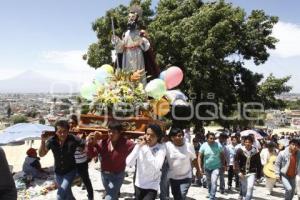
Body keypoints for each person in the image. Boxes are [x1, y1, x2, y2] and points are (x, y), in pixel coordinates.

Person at [39, 120, 86, 200]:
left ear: (68, 131)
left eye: (65, 131)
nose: (62, 134)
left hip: (70, 172)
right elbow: (41, 154)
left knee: (60, 195)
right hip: (58, 173)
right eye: (59, 131)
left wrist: (86, 141)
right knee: (68, 194)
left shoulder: (73, 138)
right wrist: (43, 141)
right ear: (56, 132)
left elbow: (84, 145)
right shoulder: (52, 140)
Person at [87, 121, 135, 200]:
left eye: (114, 132)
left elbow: (137, 148)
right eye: (109, 131)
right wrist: (90, 143)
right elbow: (92, 155)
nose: (111, 134)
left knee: (110, 196)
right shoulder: (103, 143)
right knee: (112, 194)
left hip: (117, 176)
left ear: (120, 133)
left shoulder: (126, 144)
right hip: (105, 176)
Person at [113, 5, 160, 83]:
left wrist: (142, 39)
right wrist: (117, 41)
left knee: (139, 75)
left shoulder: (140, 32)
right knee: (128, 76)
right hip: (127, 56)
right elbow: (121, 48)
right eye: (129, 17)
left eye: (132, 17)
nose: (130, 19)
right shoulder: (125, 34)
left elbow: (147, 47)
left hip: (138, 56)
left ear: (136, 19)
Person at [126, 124, 166, 200]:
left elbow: (157, 166)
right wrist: (138, 147)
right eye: (147, 134)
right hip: (139, 183)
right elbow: (129, 163)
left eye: (152, 135)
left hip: (152, 185)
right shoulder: (140, 145)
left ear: (158, 137)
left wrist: (145, 149)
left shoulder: (161, 148)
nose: (148, 137)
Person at [165, 127, 199, 200]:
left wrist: (198, 171)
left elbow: (194, 159)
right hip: (173, 178)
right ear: (172, 138)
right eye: (178, 136)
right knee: (176, 196)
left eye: (181, 135)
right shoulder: (167, 146)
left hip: (186, 177)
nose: (181, 137)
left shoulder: (189, 146)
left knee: (181, 195)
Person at [69, 115, 94, 200]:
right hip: (71, 162)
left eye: (72, 123)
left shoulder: (82, 133)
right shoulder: (67, 134)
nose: (71, 125)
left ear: (76, 123)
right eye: (69, 123)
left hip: (81, 162)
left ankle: (91, 197)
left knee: (86, 180)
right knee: (68, 181)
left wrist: (77, 141)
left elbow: (83, 149)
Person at [199, 132, 225, 200]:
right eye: (210, 138)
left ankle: (212, 197)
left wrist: (223, 165)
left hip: (216, 167)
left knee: (214, 181)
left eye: (213, 138)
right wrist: (200, 167)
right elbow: (199, 157)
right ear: (207, 139)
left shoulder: (218, 145)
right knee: (209, 182)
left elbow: (222, 155)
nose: (212, 140)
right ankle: (210, 192)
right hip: (207, 167)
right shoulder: (203, 146)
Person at [235, 136, 262, 200]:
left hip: (251, 172)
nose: (247, 143)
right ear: (244, 143)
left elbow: (258, 163)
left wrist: (258, 176)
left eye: (249, 142)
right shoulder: (240, 150)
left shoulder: (256, 151)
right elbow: (236, 161)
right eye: (246, 142)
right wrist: (238, 172)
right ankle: (245, 197)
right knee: (244, 188)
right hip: (242, 172)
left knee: (250, 187)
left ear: (252, 143)